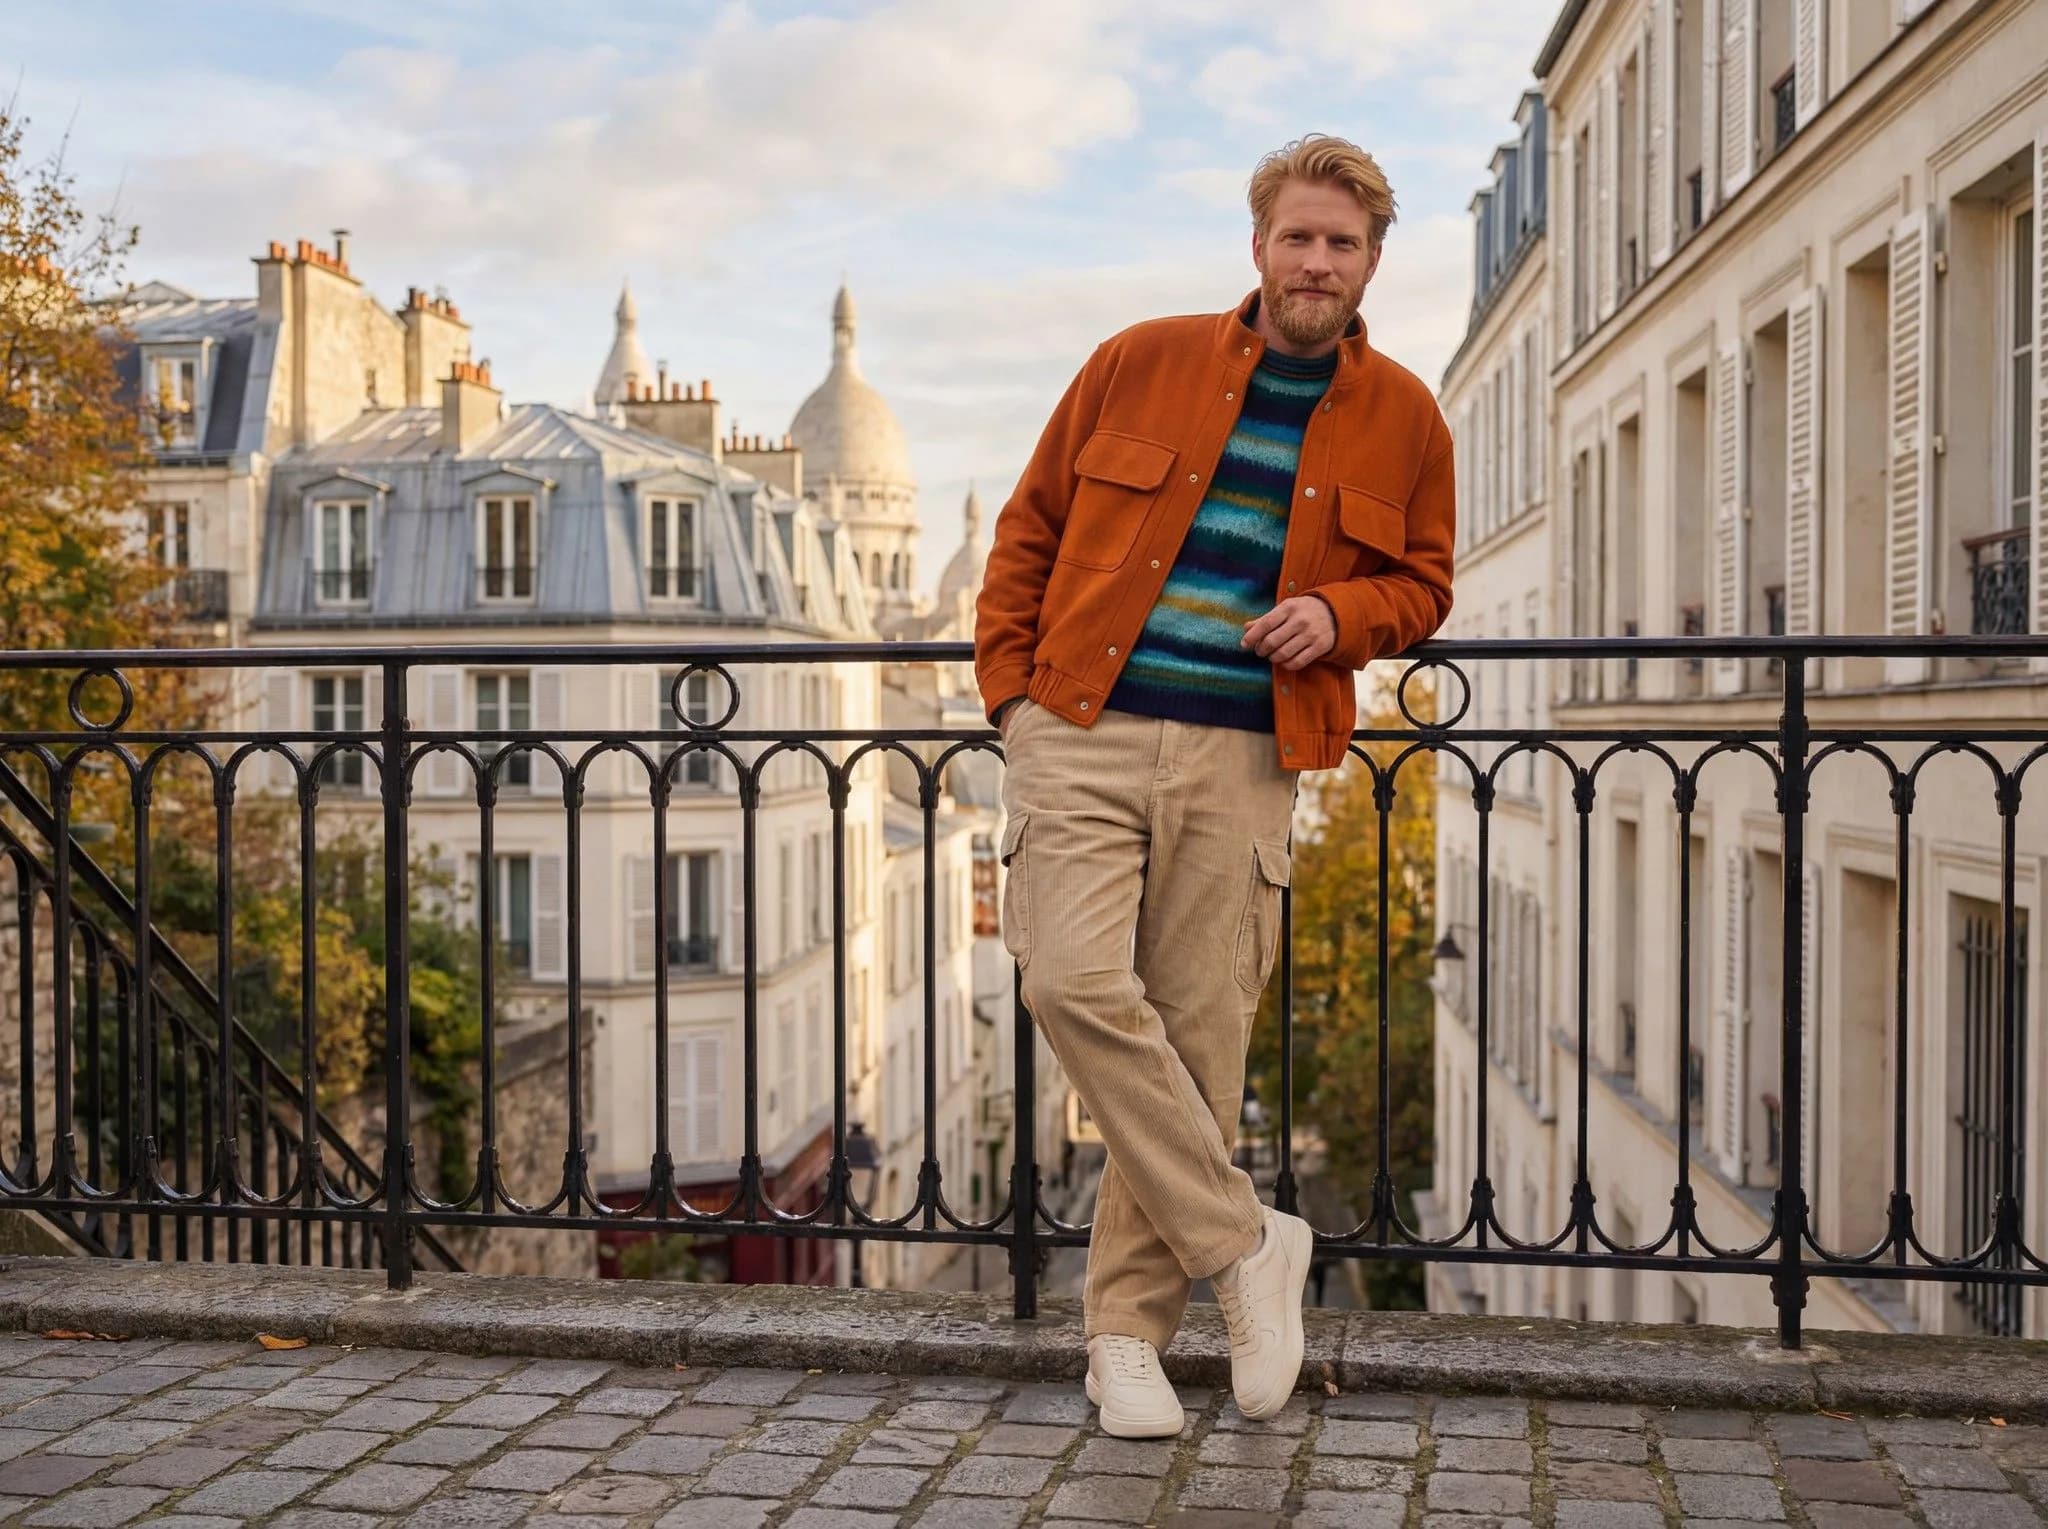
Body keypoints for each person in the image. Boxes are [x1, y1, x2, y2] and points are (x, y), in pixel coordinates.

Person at [974, 133, 1455, 1436]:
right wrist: (1011, 702)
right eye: (1297, 237)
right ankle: (1248, 1242)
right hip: (1081, 724)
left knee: (1194, 1037)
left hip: (1246, 752)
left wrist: (1344, 613)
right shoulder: (1138, 360)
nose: (1316, 261)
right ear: (1258, 246)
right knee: (1068, 977)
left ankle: (1124, 1341)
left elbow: (1425, 585)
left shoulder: (1407, 412)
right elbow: (1027, 531)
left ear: (1370, 264)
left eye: (1341, 244)